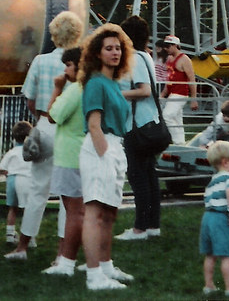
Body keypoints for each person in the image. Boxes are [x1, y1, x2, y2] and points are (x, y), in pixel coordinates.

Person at [8, 10, 85, 259]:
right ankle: (64, 251)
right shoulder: (83, 63)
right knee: (70, 195)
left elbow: (30, 99)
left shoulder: (40, 61)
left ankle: (23, 246)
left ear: (53, 34)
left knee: (38, 189)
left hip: (44, 124)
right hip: (71, 130)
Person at [78, 23, 134, 291]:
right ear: (97, 54)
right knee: (95, 212)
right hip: (100, 147)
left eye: (118, 48)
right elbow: (94, 124)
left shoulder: (113, 83)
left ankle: (106, 265)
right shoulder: (95, 83)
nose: (115, 53)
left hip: (115, 147)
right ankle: (93, 275)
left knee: (110, 213)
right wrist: (105, 156)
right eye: (109, 48)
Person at [116, 15, 163, 241]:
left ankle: (140, 227)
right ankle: (152, 224)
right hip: (147, 121)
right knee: (149, 174)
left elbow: (143, 90)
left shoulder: (134, 58)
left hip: (137, 124)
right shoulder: (146, 56)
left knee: (138, 176)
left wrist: (117, 93)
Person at [42, 47, 87, 276]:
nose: (65, 69)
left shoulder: (74, 90)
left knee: (73, 212)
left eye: (68, 65)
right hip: (82, 153)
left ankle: (66, 261)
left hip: (70, 156)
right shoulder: (91, 87)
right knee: (80, 211)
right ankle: (85, 258)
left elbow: (52, 114)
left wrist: (57, 88)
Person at [200, 141, 229, 298]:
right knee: (225, 256)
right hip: (221, 218)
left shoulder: (213, 179)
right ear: (226, 162)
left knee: (210, 255)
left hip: (207, 217)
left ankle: (209, 285)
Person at [0, 120, 34, 244]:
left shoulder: (11, 152)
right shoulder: (30, 152)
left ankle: (9, 234)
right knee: (27, 210)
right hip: (26, 180)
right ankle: (30, 238)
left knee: (12, 208)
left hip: (12, 179)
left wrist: (8, 174)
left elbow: (2, 168)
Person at [160, 35, 198, 144]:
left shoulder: (184, 59)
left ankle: (177, 142)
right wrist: (163, 94)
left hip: (181, 94)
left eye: (168, 46)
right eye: (165, 46)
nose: (166, 49)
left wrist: (194, 99)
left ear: (175, 45)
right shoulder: (169, 59)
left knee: (167, 116)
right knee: (177, 120)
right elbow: (169, 79)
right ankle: (181, 143)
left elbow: (191, 79)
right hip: (173, 93)